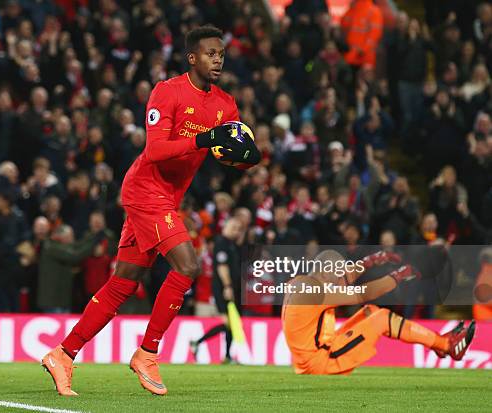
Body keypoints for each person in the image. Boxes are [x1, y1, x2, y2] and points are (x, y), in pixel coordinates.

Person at [42, 25, 260, 396]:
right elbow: (157, 150)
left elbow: (229, 154)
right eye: (210, 53)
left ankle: (63, 354)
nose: (217, 59)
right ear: (192, 57)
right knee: (188, 265)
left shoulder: (225, 104)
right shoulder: (168, 91)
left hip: (168, 198)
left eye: (221, 54)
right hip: (145, 189)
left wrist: (248, 159)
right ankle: (147, 353)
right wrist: (207, 138)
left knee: (123, 283)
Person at [281, 249, 476, 375]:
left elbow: (347, 278)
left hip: (310, 358)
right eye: (338, 273)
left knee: (370, 312)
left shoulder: (302, 283)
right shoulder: (317, 292)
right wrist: (400, 274)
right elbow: (365, 293)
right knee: (381, 318)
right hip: (318, 363)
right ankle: (446, 345)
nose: (342, 278)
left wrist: (371, 261)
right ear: (326, 272)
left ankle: (438, 345)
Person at [190, 217, 243, 363]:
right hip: (222, 288)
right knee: (228, 322)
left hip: (228, 288)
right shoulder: (221, 243)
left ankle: (227, 356)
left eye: (239, 229)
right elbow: (222, 266)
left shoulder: (231, 244)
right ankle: (198, 342)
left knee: (231, 323)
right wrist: (227, 286)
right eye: (235, 227)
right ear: (227, 226)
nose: (237, 231)